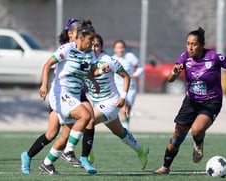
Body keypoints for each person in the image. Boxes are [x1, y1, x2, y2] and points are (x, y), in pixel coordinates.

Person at [154, 27, 226, 174]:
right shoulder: (184, 57)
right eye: (188, 43)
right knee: (177, 136)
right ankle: (165, 167)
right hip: (191, 101)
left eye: (194, 44)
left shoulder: (214, 57)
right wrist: (174, 72)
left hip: (211, 101)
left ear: (202, 45)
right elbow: (170, 79)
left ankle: (198, 144)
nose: (190, 47)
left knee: (196, 129)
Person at [20, 18, 96, 174]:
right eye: (90, 39)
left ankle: (46, 163)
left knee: (60, 135)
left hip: (73, 97)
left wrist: (95, 81)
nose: (93, 43)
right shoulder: (66, 49)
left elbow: (89, 71)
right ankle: (72, 153)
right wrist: (44, 85)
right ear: (77, 36)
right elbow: (47, 64)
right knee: (86, 116)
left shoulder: (89, 54)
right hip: (60, 94)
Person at [85, 34, 149, 170]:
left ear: (101, 47)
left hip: (111, 101)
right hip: (97, 103)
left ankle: (87, 155)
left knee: (87, 120)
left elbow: (126, 76)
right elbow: (89, 74)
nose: (93, 48)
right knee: (119, 132)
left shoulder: (109, 60)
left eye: (97, 45)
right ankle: (141, 150)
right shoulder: (85, 59)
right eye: (91, 45)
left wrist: (123, 97)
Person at [112, 40, 144, 130]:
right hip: (118, 88)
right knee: (123, 108)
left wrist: (134, 75)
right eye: (118, 48)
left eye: (122, 47)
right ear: (114, 49)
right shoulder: (112, 59)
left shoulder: (130, 57)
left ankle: (125, 129)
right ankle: (126, 132)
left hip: (131, 88)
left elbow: (141, 68)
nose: (120, 50)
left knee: (127, 111)